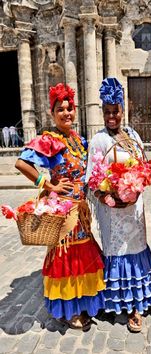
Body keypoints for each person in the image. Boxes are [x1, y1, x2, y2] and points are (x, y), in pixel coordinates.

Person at [15, 83, 105, 330]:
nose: (66, 113)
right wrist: (48, 184)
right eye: (60, 109)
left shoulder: (78, 139)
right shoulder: (49, 139)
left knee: (84, 254)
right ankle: (69, 309)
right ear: (52, 114)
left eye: (69, 108)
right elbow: (22, 164)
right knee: (67, 256)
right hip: (64, 211)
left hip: (81, 210)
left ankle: (84, 302)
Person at [86, 77, 151, 332]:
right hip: (112, 214)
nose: (112, 116)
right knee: (117, 252)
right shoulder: (98, 141)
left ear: (122, 110)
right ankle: (123, 306)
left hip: (135, 210)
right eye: (107, 112)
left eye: (116, 111)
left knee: (137, 250)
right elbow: (92, 181)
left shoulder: (134, 135)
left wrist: (136, 188)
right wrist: (109, 198)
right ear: (103, 112)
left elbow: (143, 168)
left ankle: (137, 305)